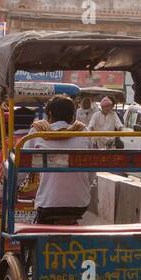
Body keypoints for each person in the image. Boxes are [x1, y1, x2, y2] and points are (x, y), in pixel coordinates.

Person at [23, 94, 93, 225]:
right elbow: (91, 173)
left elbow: (20, 167)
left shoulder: (37, 132)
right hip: (80, 204)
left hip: (47, 204)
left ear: (49, 114)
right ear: (72, 116)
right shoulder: (84, 132)